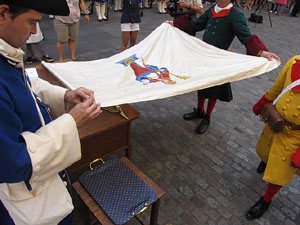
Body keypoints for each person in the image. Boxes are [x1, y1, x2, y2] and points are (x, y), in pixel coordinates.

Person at [0, 0, 102, 224]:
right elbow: (14, 163)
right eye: (31, 22)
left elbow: (24, 84)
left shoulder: (5, 55)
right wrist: (71, 121)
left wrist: (64, 96)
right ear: (3, 13)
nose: (35, 31)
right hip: (24, 205)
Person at [169, 0, 280, 134]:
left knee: (214, 89)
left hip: (219, 60)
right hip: (204, 56)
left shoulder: (235, 15)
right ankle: (199, 110)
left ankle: (207, 116)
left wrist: (262, 51)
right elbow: (196, 24)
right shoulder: (212, 10)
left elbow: (246, 36)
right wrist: (175, 24)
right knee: (201, 84)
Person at [246, 55, 300, 220]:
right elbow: (277, 89)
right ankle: (266, 160)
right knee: (266, 151)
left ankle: (266, 200)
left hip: (294, 136)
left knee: (280, 171)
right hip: (275, 123)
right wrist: (261, 104)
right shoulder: (295, 62)